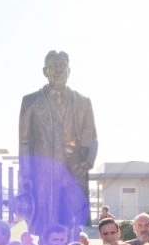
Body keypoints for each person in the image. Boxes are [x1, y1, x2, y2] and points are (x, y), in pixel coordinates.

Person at [18, 50, 97, 235]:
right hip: (42, 172)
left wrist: (87, 162)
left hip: (74, 171)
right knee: (42, 219)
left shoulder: (83, 102)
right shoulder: (30, 101)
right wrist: (26, 174)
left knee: (73, 220)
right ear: (45, 71)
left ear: (70, 70)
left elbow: (91, 137)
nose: (59, 70)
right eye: (54, 66)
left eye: (63, 66)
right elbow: (24, 141)